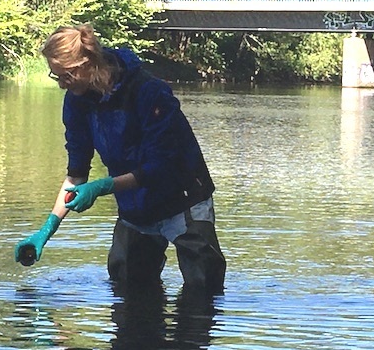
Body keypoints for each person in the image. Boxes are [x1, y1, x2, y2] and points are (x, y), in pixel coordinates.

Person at [15, 23, 226, 294]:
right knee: (126, 284)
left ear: (86, 64)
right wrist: (46, 230)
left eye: (65, 77)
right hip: (136, 206)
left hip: (183, 196)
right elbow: (76, 173)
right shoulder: (77, 102)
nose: (61, 86)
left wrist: (103, 186)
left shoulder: (148, 92)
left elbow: (161, 166)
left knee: (204, 288)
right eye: (57, 78)